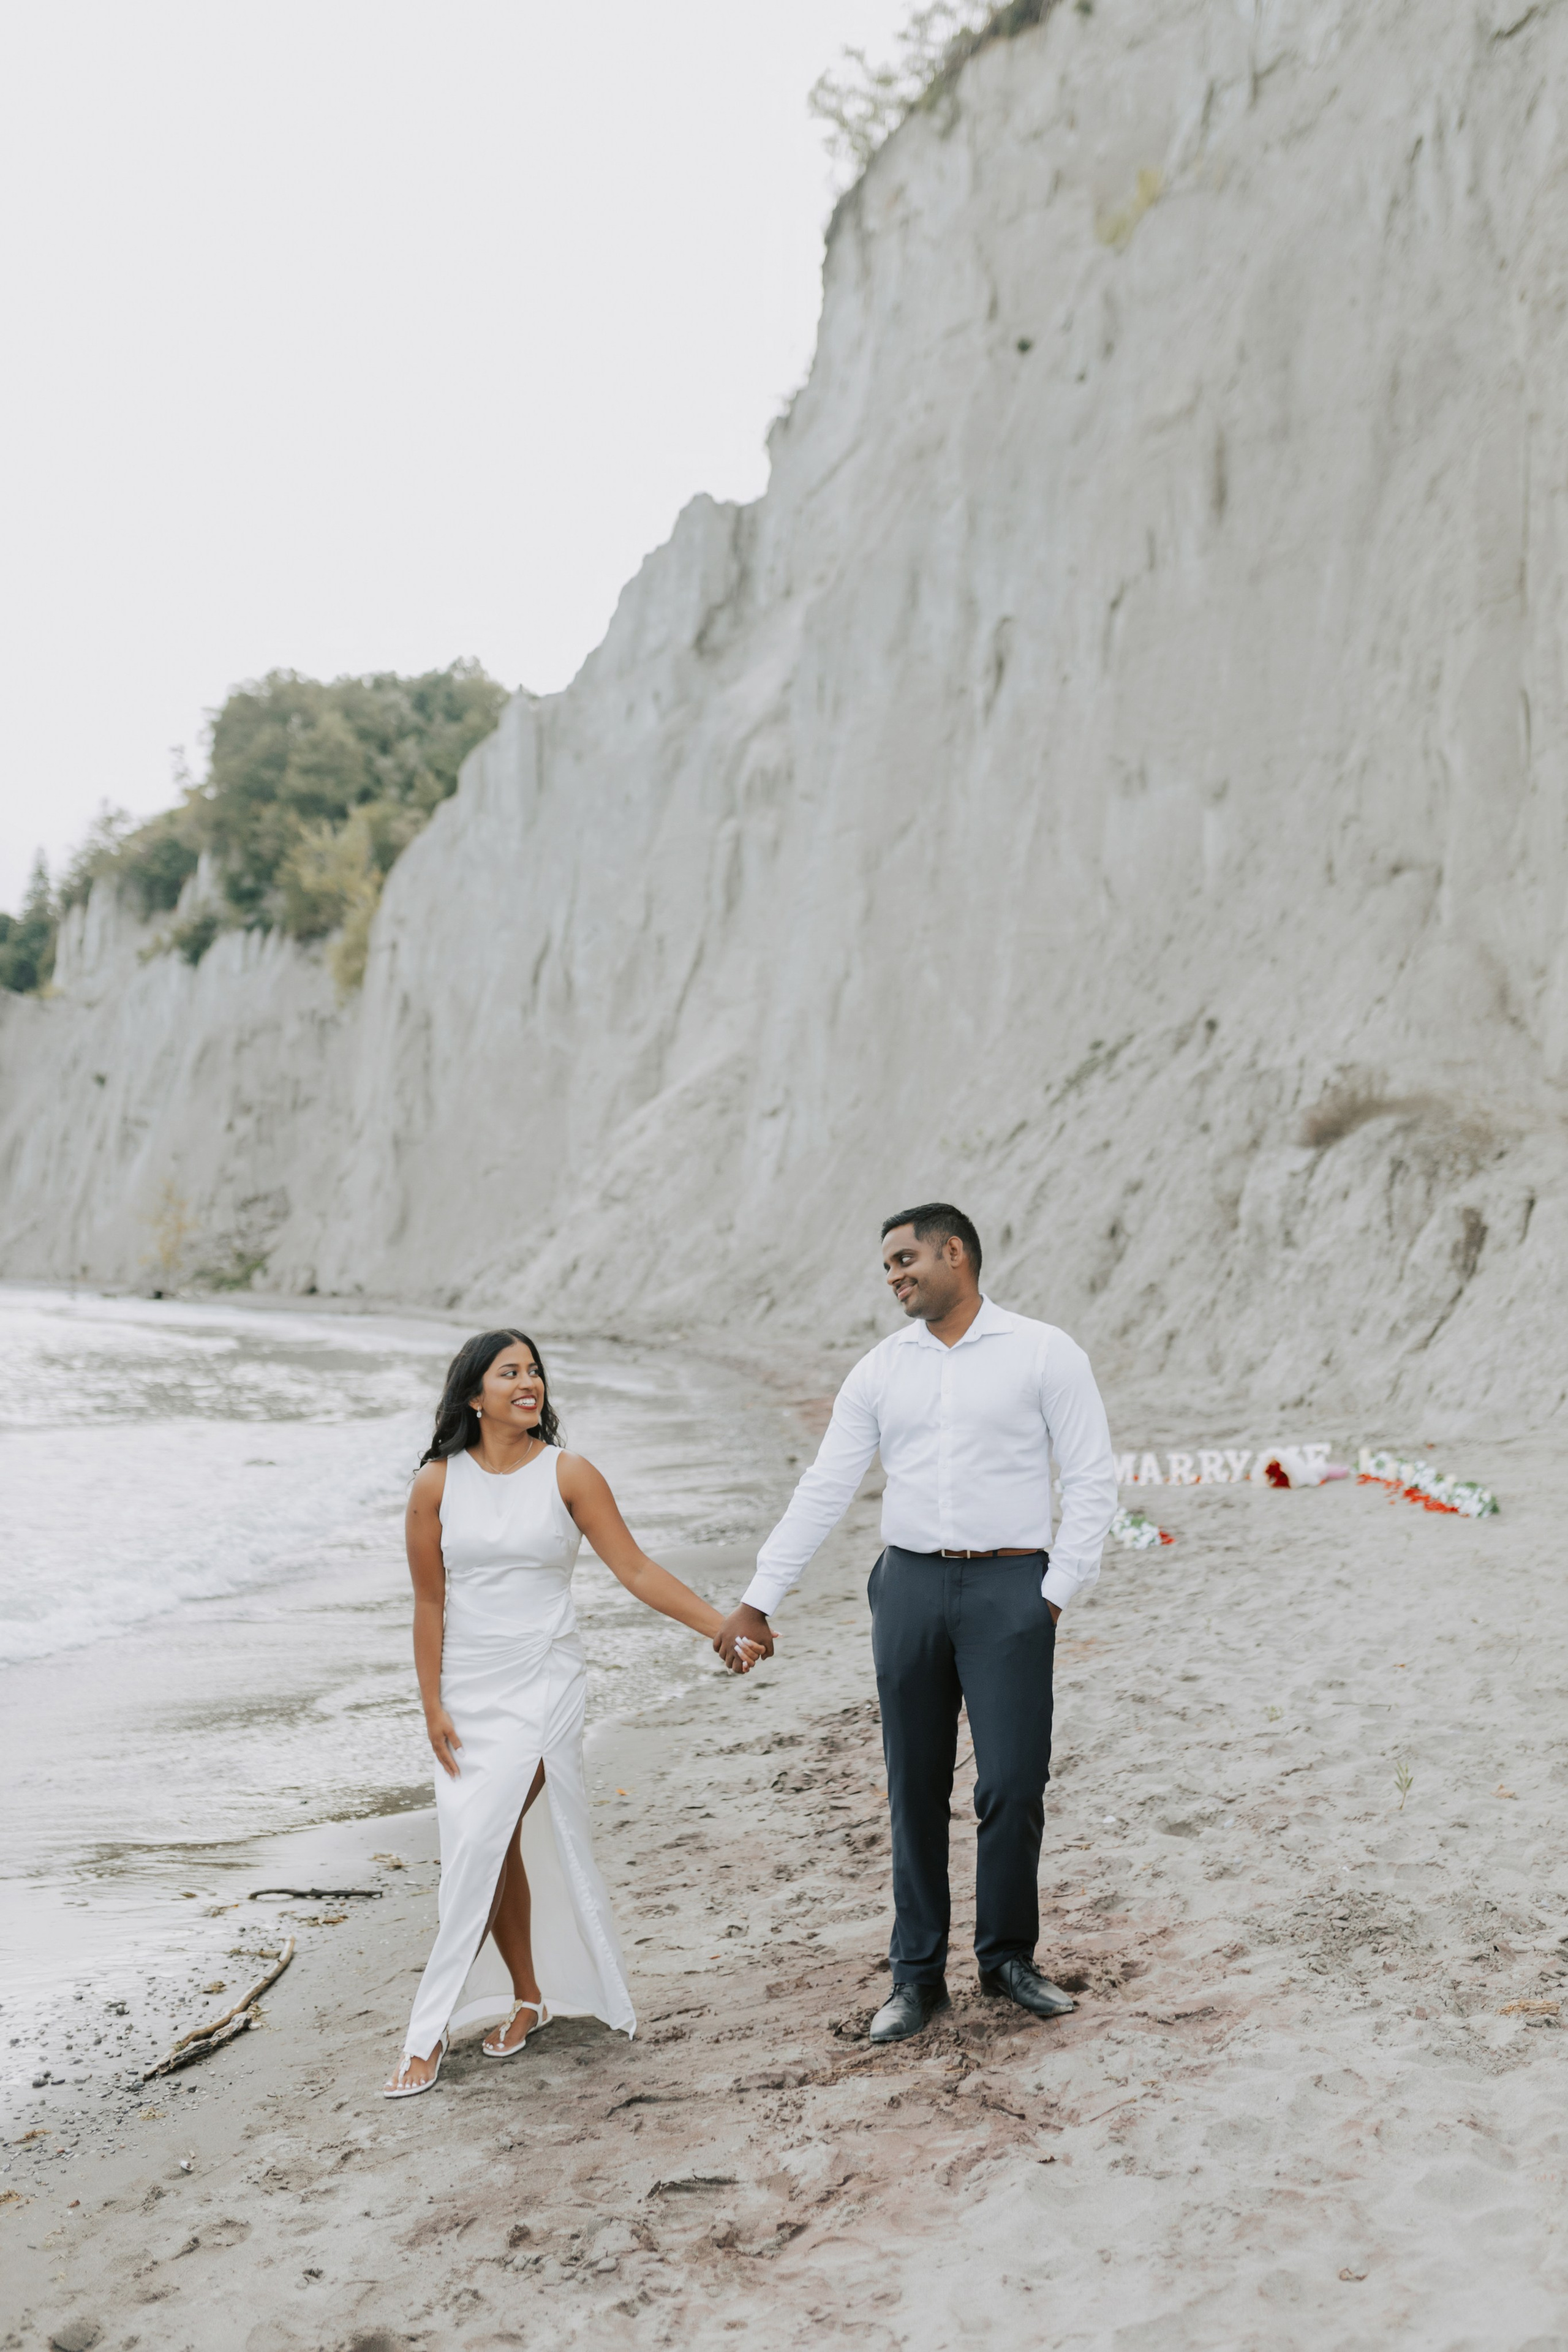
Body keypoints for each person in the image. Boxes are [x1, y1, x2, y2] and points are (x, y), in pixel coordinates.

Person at [713, 1205, 1117, 2045]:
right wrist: (760, 1598)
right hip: (906, 1588)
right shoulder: (880, 1370)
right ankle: (917, 1976)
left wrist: (1056, 1591)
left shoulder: (1045, 1351)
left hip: (1012, 1588)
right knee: (913, 1788)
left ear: (955, 1253)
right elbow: (825, 1488)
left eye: (905, 1258)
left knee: (1012, 1783)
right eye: (886, 1265)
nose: (893, 1274)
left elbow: (1090, 1477)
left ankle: (1007, 1960)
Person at [385, 1329, 752, 2097]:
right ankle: (528, 1994)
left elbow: (635, 1568)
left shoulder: (570, 1474)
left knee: (482, 1840)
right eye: (508, 1373)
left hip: (546, 1678)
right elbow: (429, 1601)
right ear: (472, 1396)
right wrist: (430, 1704)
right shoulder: (435, 1486)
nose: (528, 1383)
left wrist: (719, 1624)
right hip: (468, 1690)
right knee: (488, 1842)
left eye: (534, 1372)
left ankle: (424, 2038)